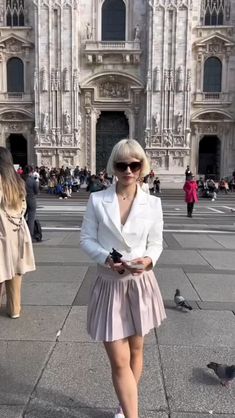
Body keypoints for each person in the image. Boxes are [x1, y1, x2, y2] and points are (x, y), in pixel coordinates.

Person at [80, 139, 166, 418]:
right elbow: (86, 239)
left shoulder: (153, 203)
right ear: (113, 167)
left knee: (136, 349)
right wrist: (106, 257)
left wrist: (148, 260)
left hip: (140, 284)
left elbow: (156, 243)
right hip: (110, 284)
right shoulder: (97, 199)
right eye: (122, 164)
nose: (128, 170)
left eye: (134, 164)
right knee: (119, 360)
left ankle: (125, 405)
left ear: (142, 167)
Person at [0, 147, 35, 318]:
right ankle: (14, 309)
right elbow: (24, 206)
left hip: (2, 233)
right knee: (15, 273)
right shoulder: (18, 181)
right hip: (18, 232)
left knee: (1, 270)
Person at [23, 166, 39, 241]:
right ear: (31, 172)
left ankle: (20, 232)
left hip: (22, 200)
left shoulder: (21, 179)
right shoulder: (32, 180)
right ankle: (30, 235)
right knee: (31, 219)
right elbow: (36, 191)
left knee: (21, 217)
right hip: (31, 200)